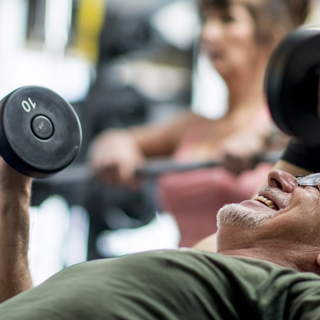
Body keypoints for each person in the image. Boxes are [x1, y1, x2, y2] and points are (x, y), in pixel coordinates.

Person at [0, 136, 320, 319]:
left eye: (315, 186)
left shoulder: (286, 298)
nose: (279, 177)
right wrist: (12, 191)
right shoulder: (209, 273)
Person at [88, 0, 311, 247]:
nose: (207, 33)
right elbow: (113, 139)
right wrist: (114, 148)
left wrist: (260, 136)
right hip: (185, 275)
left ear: (271, 36)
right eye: (205, 20)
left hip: (248, 278)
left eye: (227, 20)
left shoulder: (292, 125)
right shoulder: (193, 126)